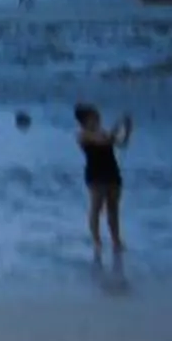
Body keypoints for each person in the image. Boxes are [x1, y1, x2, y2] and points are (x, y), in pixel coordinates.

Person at [74, 103, 133, 258]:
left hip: (112, 172)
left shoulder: (102, 132)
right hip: (96, 175)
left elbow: (121, 144)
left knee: (113, 209)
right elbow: (103, 141)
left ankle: (116, 240)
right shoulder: (83, 135)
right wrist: (118, 125)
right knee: (96, 207)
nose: (98, 119)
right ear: (85, 120)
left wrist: (127, 130)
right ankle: (97, 241)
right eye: (94, 117)